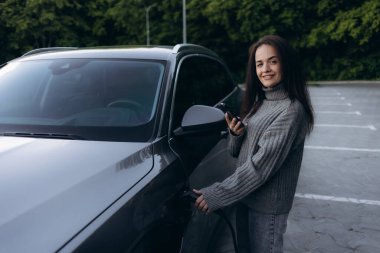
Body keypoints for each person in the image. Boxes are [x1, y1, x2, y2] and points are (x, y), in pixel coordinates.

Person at [193, 35, 314, 253]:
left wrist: (219, 194)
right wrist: (237, 135)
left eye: (273, 61)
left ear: (286, 63)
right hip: (246, 198)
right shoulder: (261, 102)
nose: (265, 69)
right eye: (259, 63)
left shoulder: (291, 110)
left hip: (266, 210)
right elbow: (235, 152)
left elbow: (260, 167)